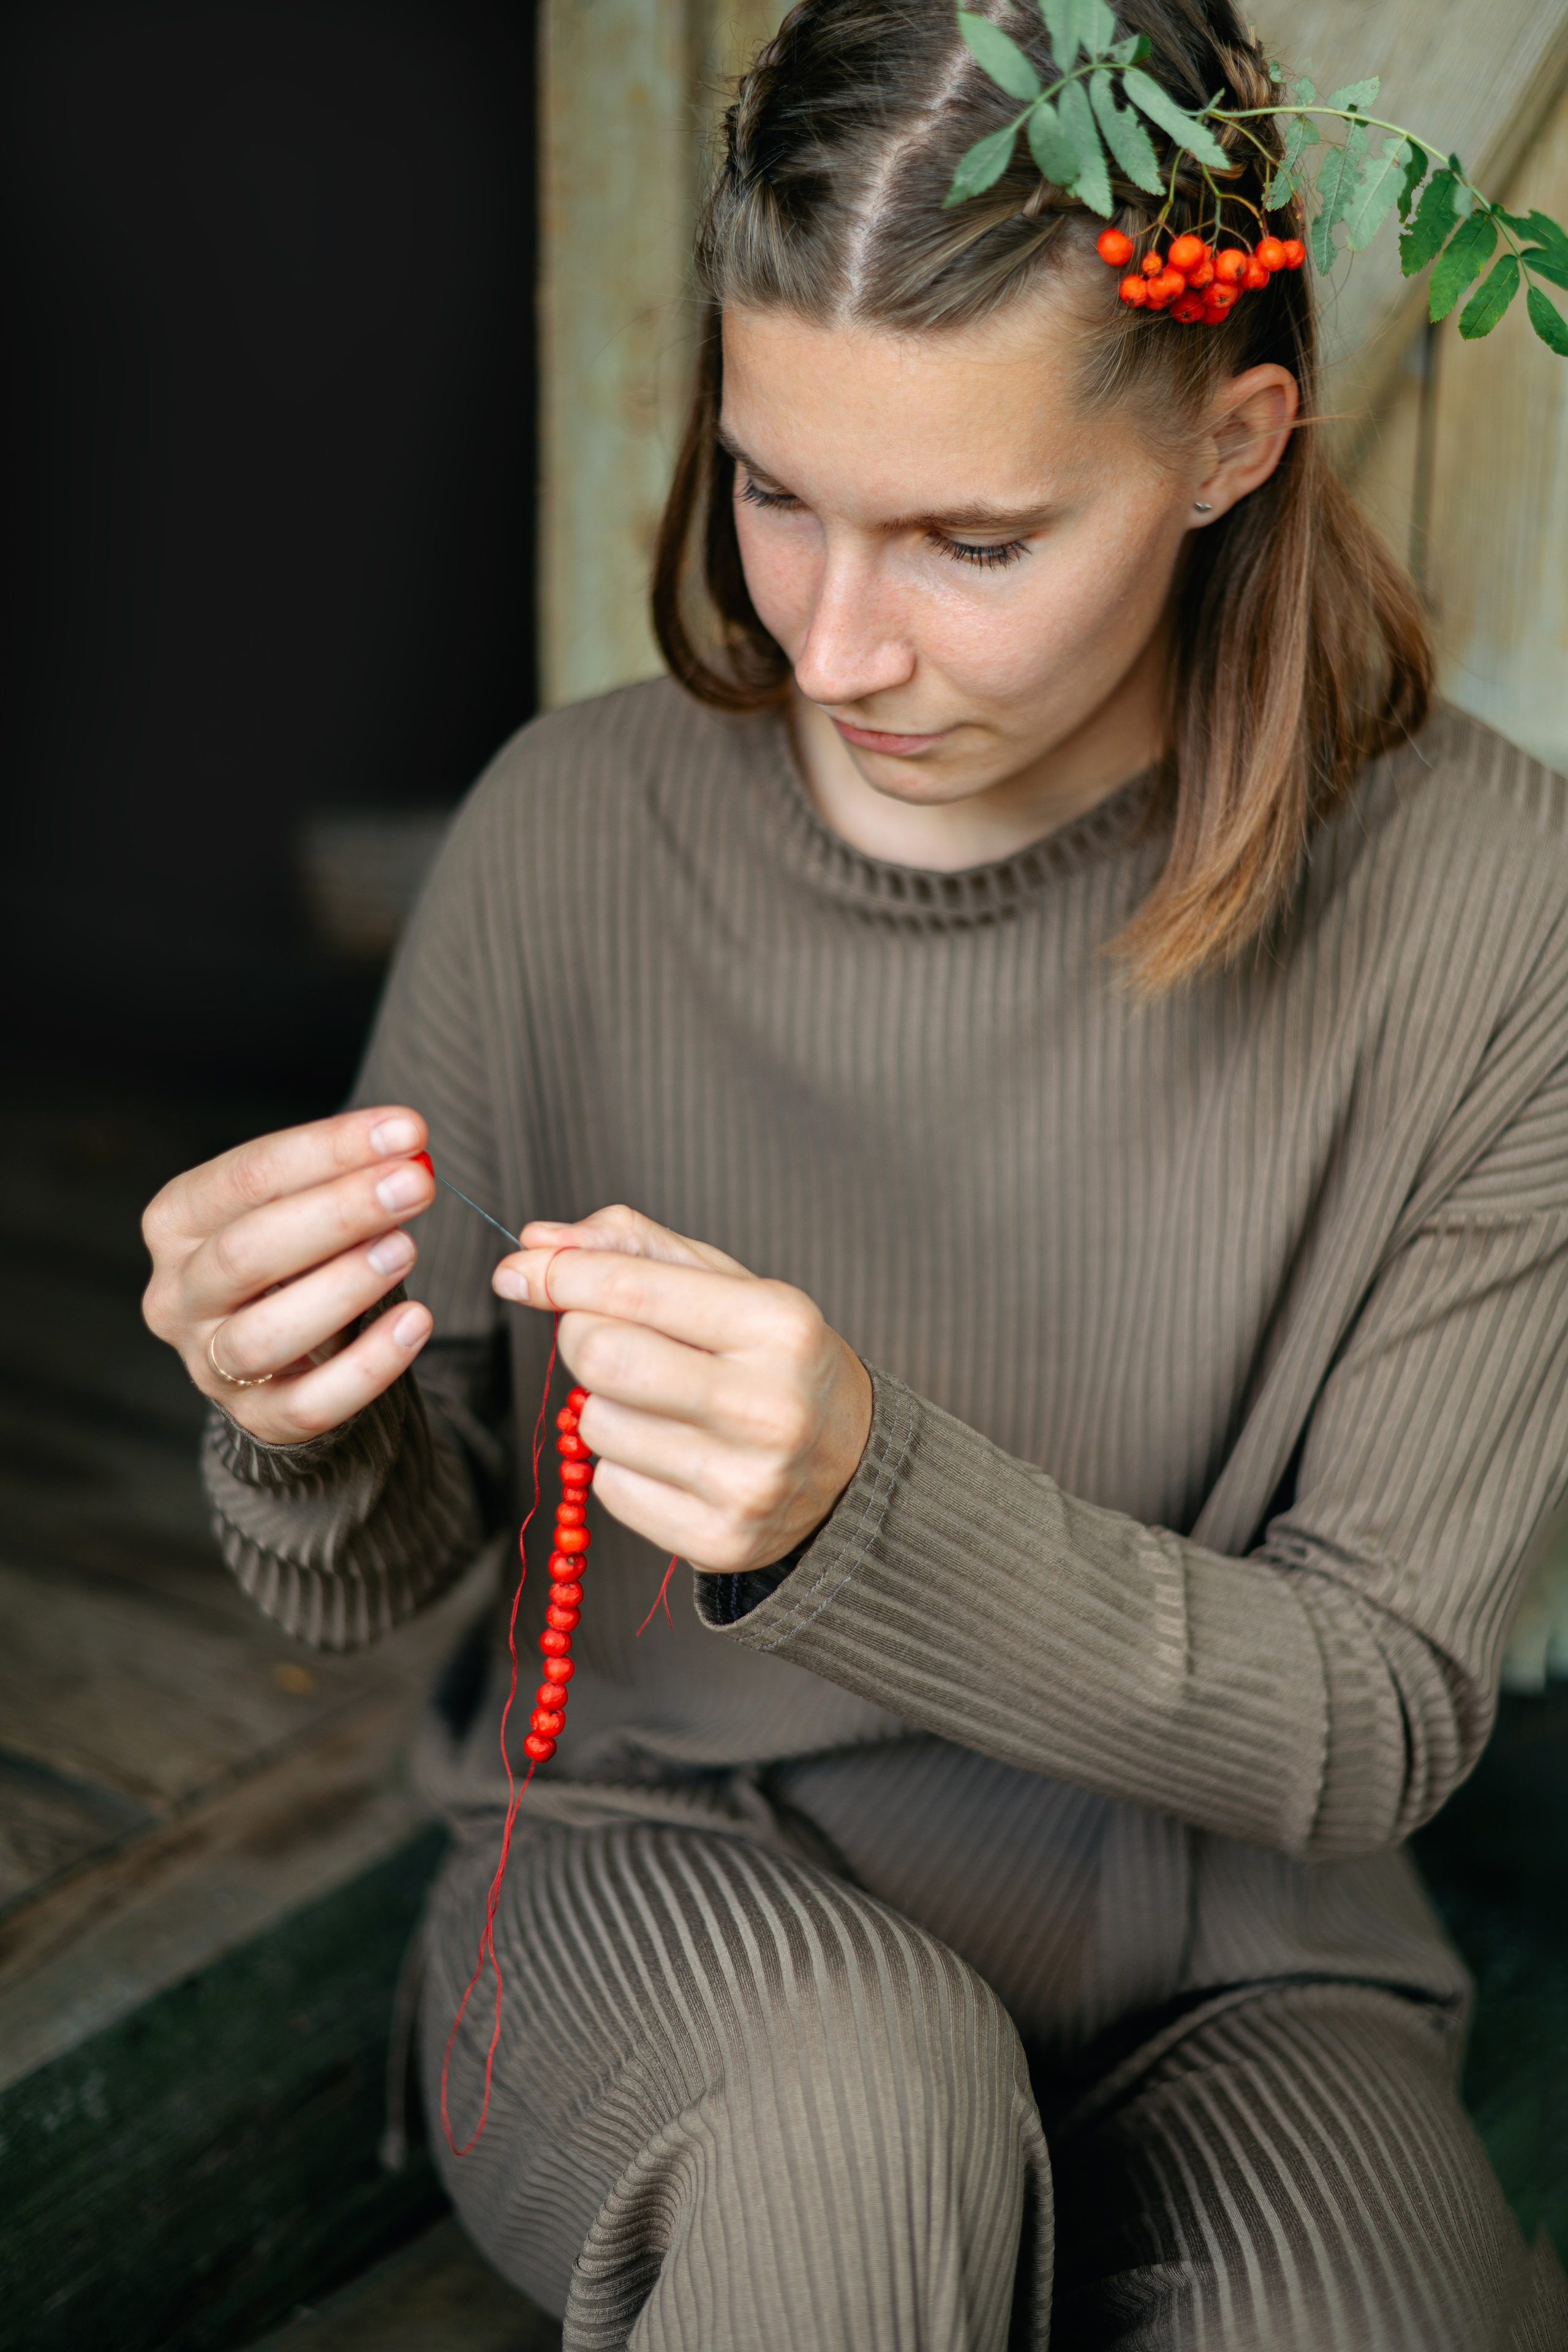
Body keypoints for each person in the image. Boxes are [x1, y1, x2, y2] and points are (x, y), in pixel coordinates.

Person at [141, 2, 1568, 2343]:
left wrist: (865, 1507)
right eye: (772, 488)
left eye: (972, 538)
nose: (828, 642)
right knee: (862, 2137)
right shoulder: (570, 837)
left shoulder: (1495, 919)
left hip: (1238, 1955)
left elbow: (1384, 1710)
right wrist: (296, 1422)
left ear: (1233, 443)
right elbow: (378, 1580)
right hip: (647, 1884)